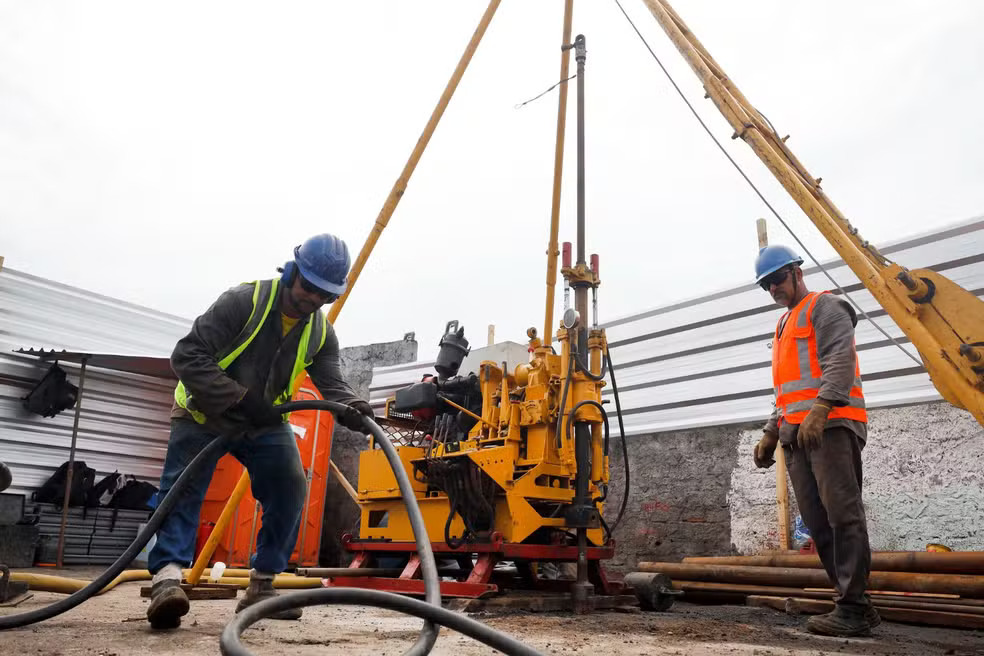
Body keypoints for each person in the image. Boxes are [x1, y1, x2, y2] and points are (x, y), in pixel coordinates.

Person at [146, 233, 374, 630]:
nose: (313, 300)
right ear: (292, 271)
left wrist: (351, 406)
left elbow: (331, 382)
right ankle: (167, 580)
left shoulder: (320, 332)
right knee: (183, 490)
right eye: (309, 288)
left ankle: (262, 586)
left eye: (325, 295)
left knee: (289, 485)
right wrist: (237, 397)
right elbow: (187, 355)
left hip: (263, 422)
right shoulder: (243, 301)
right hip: (203, 412)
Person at [752, 245, 878, 637]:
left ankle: (854, 607)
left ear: (796, 271)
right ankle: (850, 603)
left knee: (843, 515)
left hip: (833, 426)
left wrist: (822, 409)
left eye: (777, 279)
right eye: (766, 285)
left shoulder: (827, 308)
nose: (773, 289)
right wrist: (771, 431)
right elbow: (786, 392)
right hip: (795, 434)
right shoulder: (783, 324)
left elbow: (839, 361)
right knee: (818, 521)